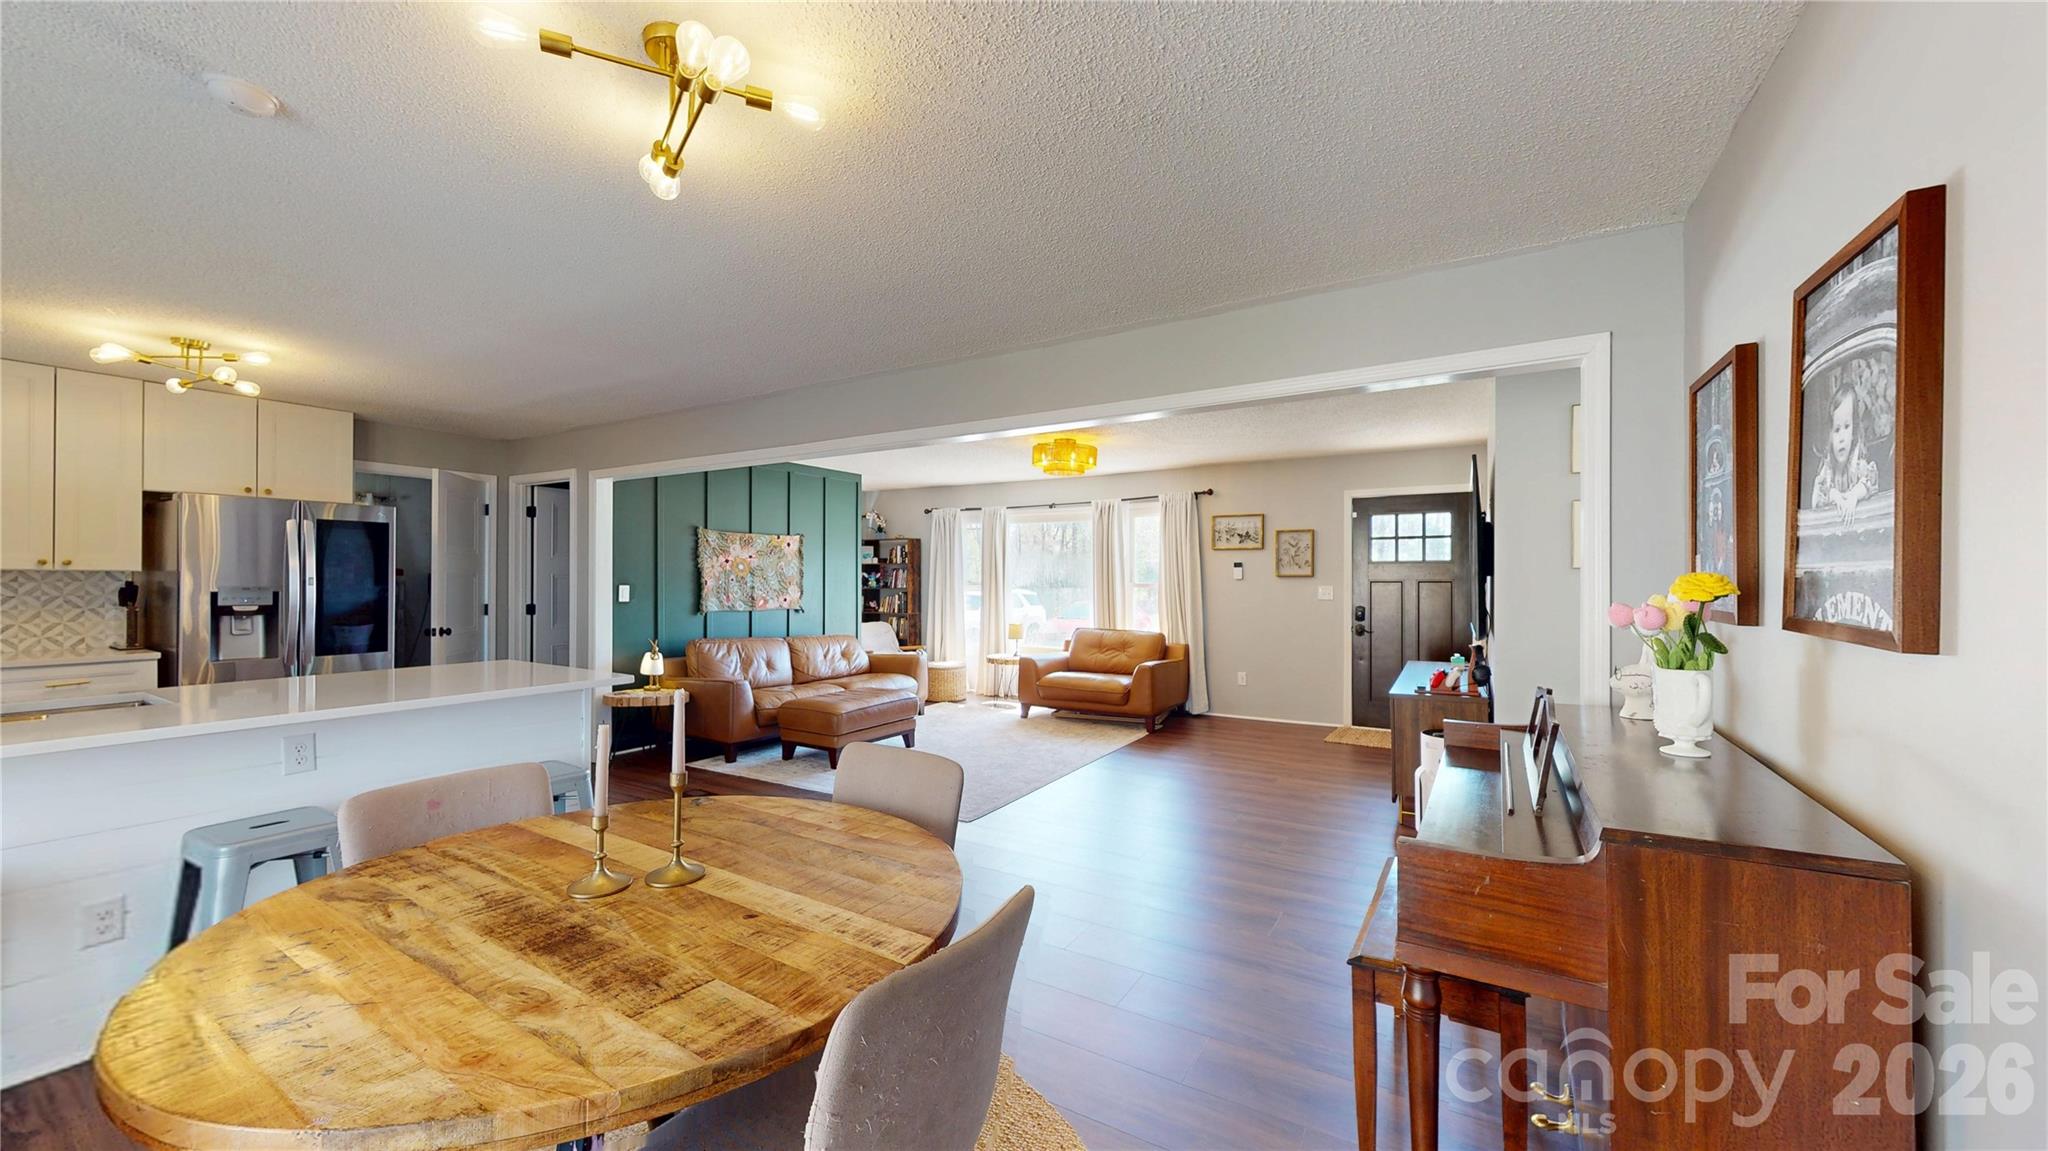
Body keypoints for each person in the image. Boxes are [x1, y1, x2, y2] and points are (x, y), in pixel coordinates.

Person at [1811, 370, 1879, 522]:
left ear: (1854, 432)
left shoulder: (1858, 464)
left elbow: (1869, 482)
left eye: (1847, 427)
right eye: (1836, 430)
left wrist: (1854, 495)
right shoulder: (1828, 467)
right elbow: (1818, 496)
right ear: (1830, 435)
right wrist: (1834, 495)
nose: (1841, 438)